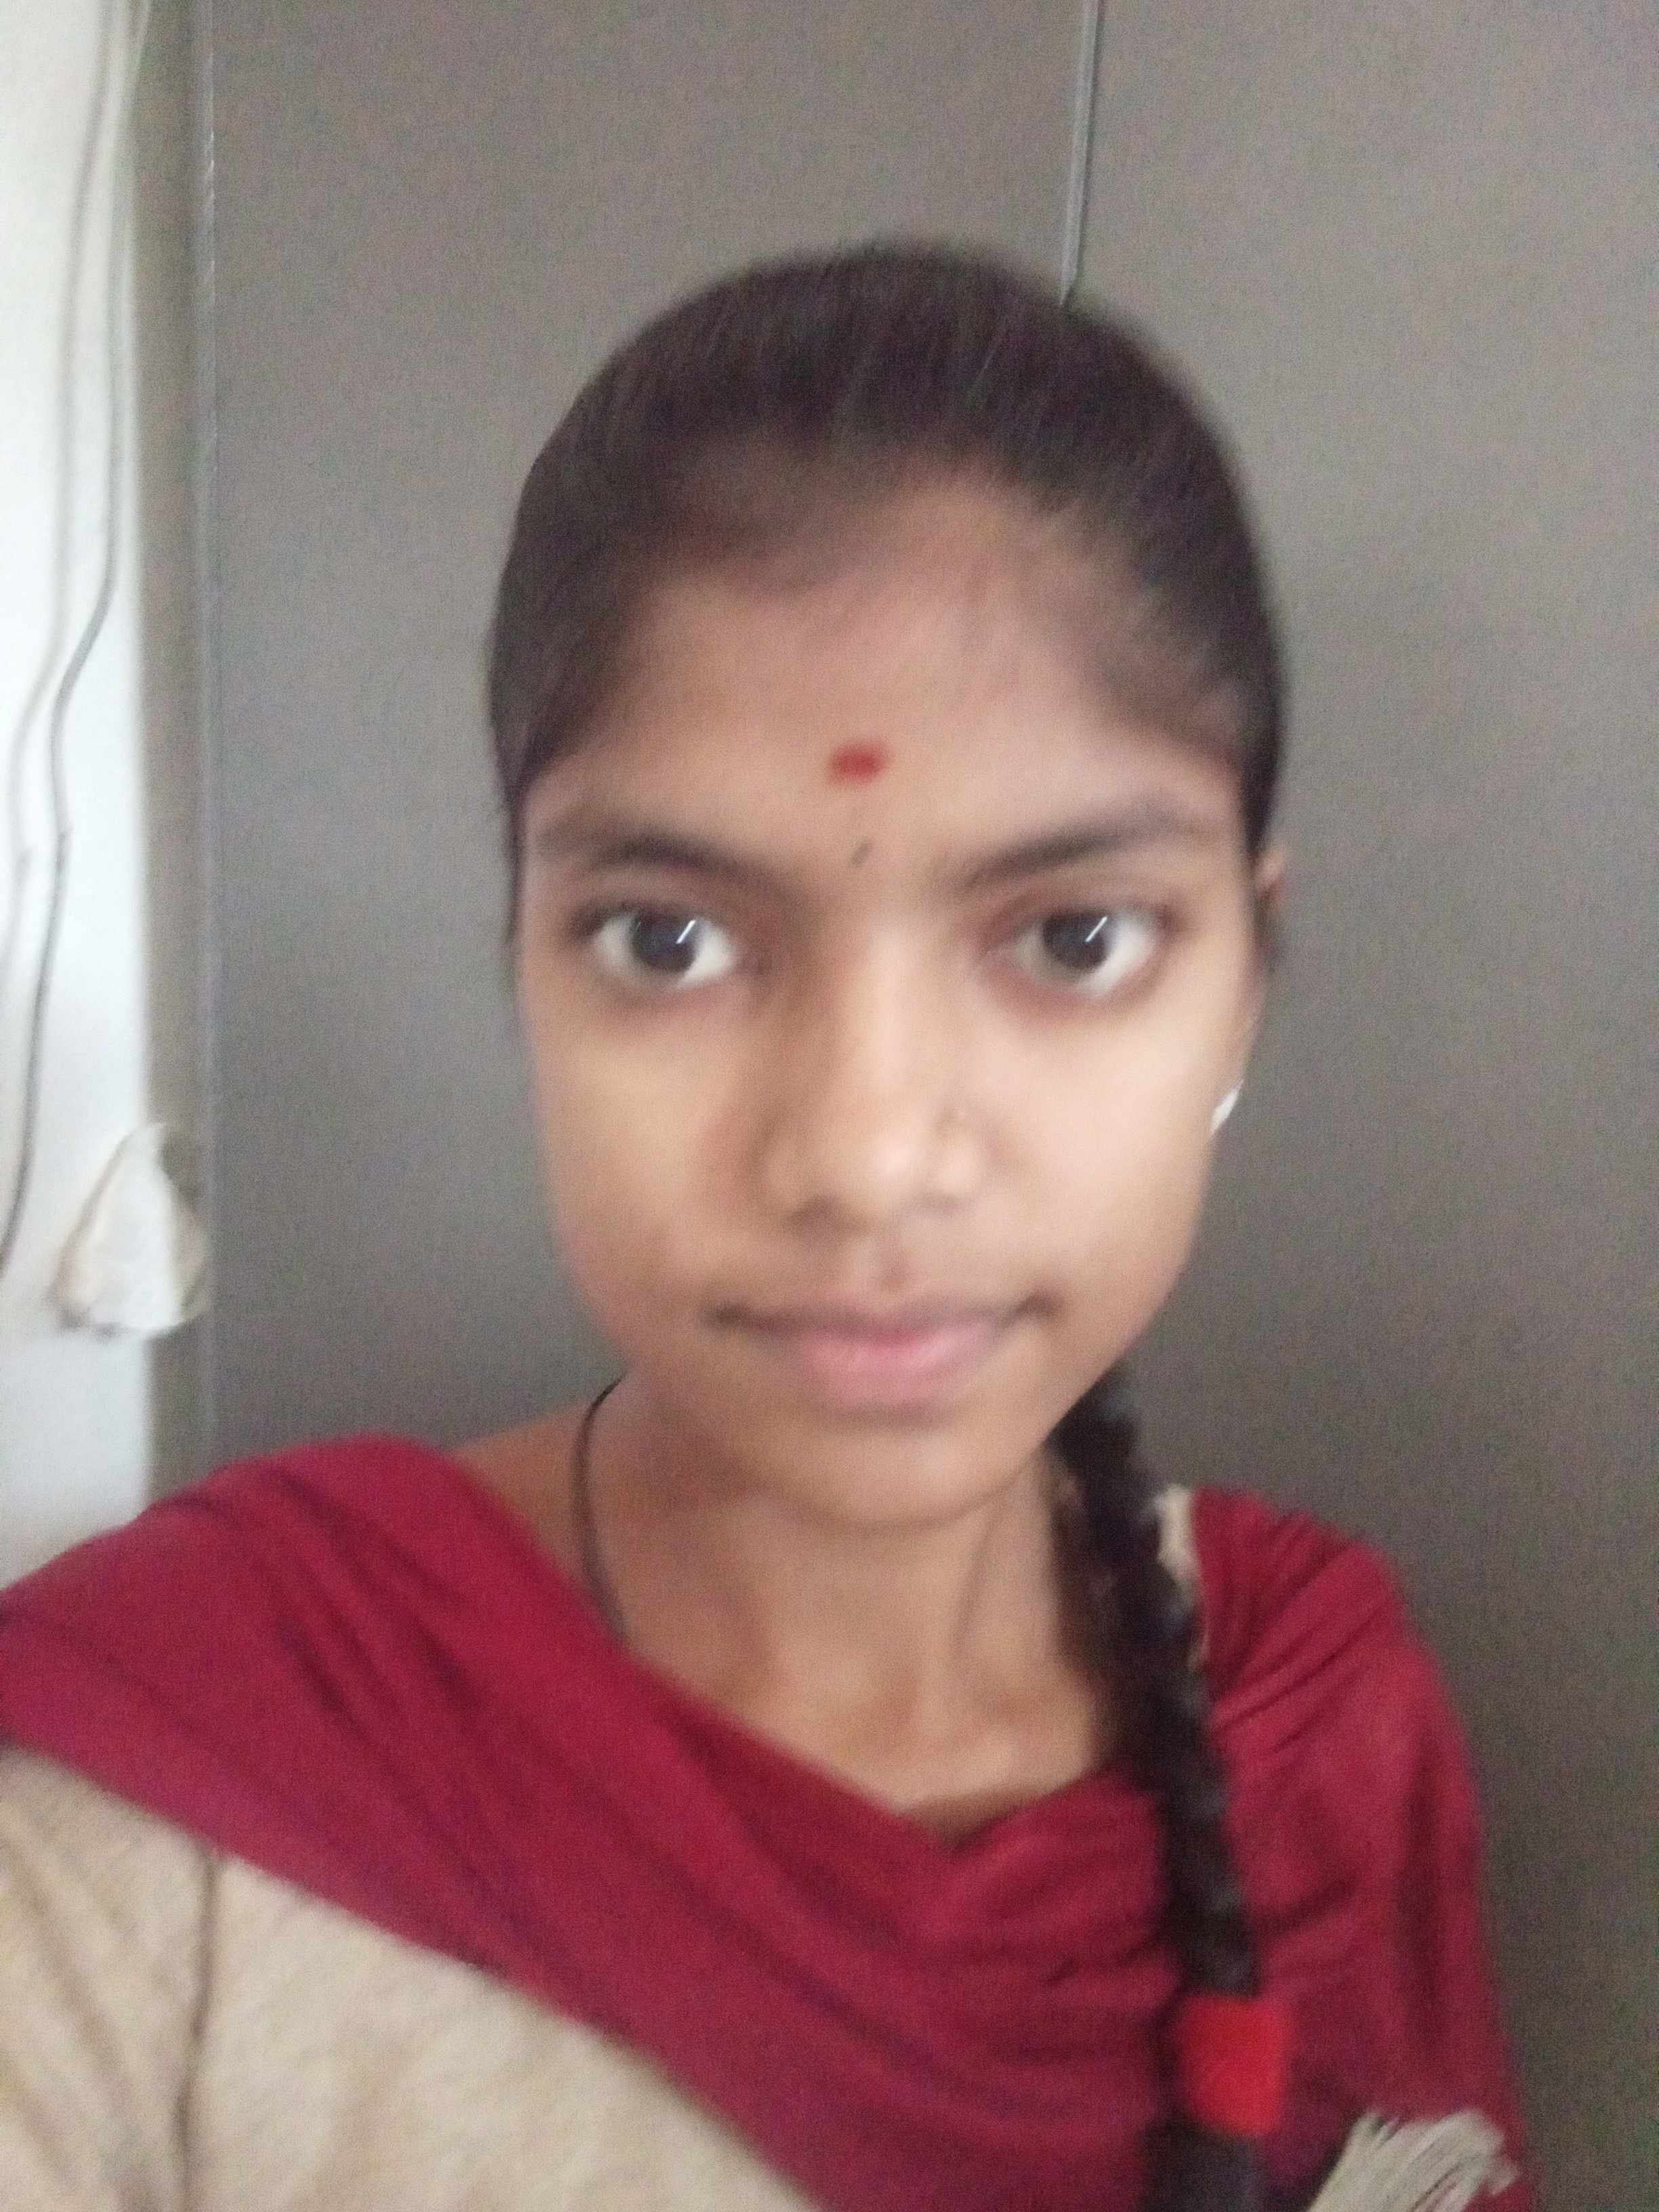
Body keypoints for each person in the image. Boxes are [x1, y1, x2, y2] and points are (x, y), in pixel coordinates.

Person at [0, 244, 1529, 2211]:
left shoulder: (1316, 1711)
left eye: (1076, 937)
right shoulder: (170, 1779)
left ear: (1247, 977)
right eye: (670, 941)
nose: (867, 1157)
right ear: (523, 963)